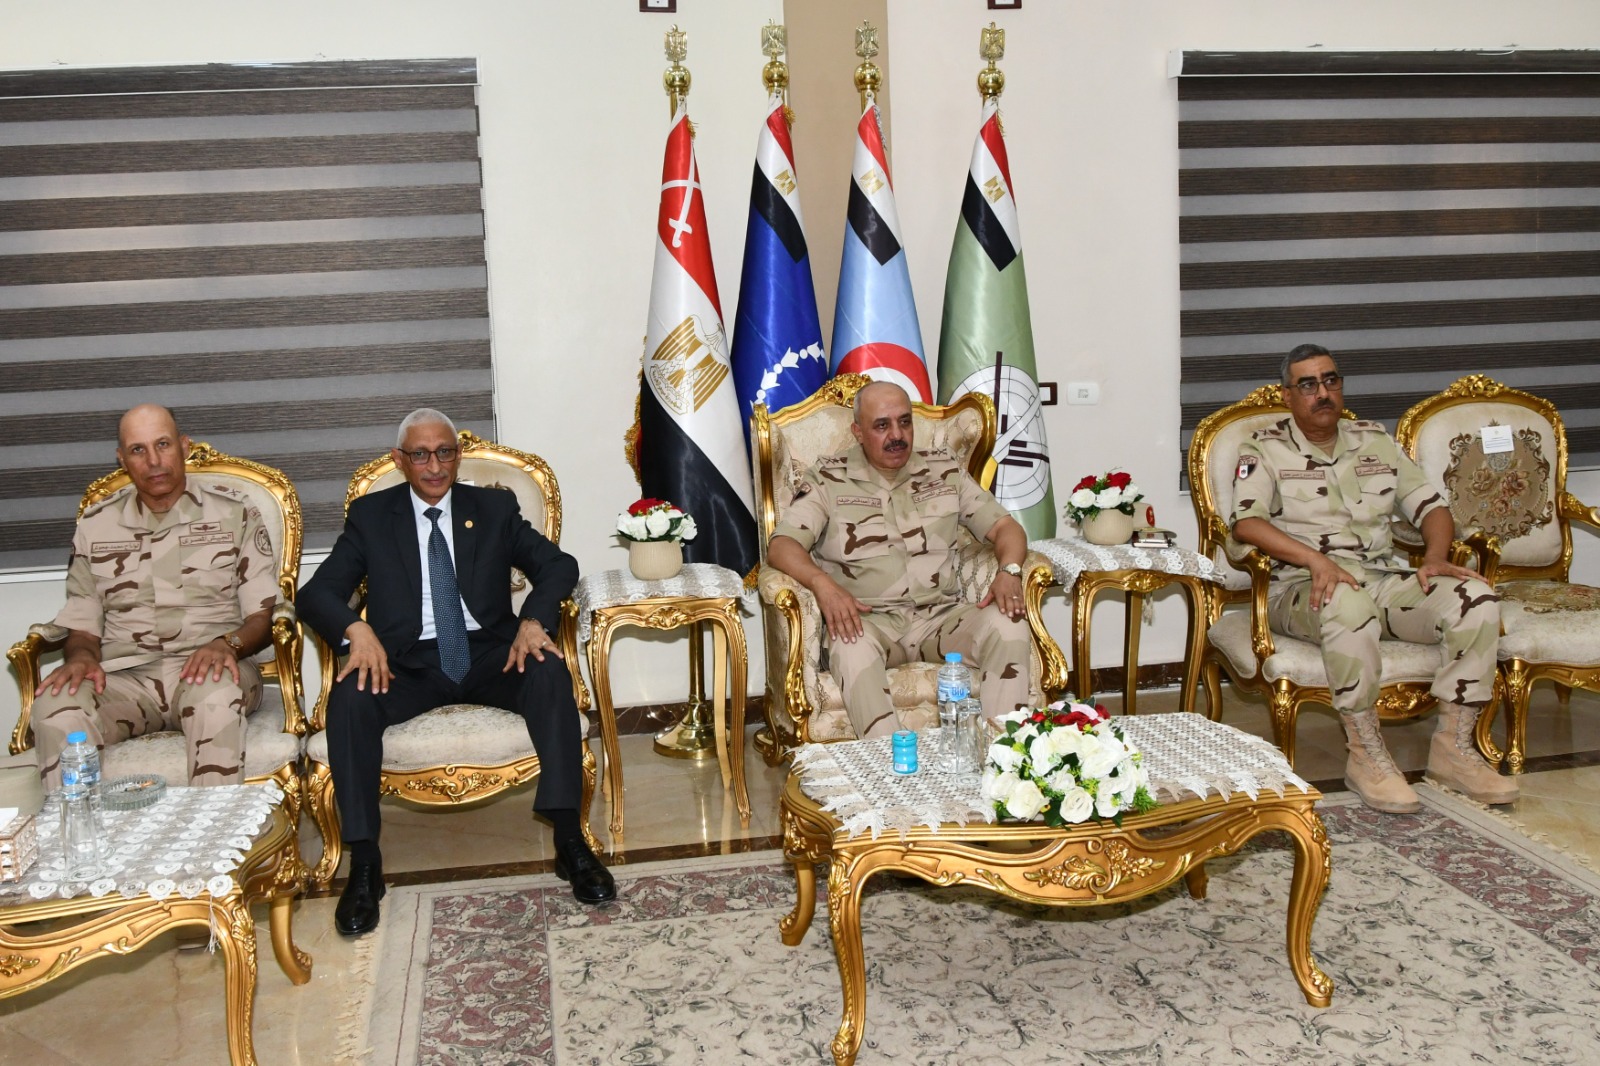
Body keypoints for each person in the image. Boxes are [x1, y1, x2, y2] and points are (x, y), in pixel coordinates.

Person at [298, 408, 613, 937]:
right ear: (400, 460)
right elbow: (317, 593)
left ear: (458, 455)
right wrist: (357, 630)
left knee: (548, 670)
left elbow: (559, 565)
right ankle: (365, 863)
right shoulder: (372, 517)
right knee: (350, 696)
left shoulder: (492, 507)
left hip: (491, 654)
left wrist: (534, 621)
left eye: (444, 452)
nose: (435, 465)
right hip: (406, 662)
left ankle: (569, 840)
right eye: (420, 454)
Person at [1231, 343, 1516, 812]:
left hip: (1383, 580)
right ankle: (1366, 755)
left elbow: (1432, 508)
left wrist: (1435, 557)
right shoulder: (1263, 447)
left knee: (1475, 597)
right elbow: (1247, 524)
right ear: (1287, 395)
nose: (1323, 392)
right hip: (1303, 589)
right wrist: (1316, 561)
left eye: (1331, 380)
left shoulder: (1374, 441)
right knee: (1347, 601)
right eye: (1308, 384)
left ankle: (1454, 750)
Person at [766, 380, 1033, 737]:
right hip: (868, 620)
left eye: (904, 422)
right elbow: (782, 545)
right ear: (858, 432)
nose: (897, 435)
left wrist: (1009, 571)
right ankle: (891, 762)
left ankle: (1005, 752)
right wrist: (822, 584)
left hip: (941, 618)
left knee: (1008, 621)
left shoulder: (944, 470)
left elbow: (1006, 528)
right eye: (882, 425)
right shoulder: (829, 478)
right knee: (850, 644)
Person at [32, 404, 278, 790]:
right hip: (124, 678)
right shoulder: (96, 525)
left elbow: (263, 617)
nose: (153, 461)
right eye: (138, 450)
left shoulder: (235, 513)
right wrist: (81, 657)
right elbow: (82, 622)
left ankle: (212, 826)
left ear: (184, 446)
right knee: (55, 704)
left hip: (211, 668)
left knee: (214, 697)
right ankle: (81, 826)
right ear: (122, 459)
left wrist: (227, 644)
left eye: (163, 444)